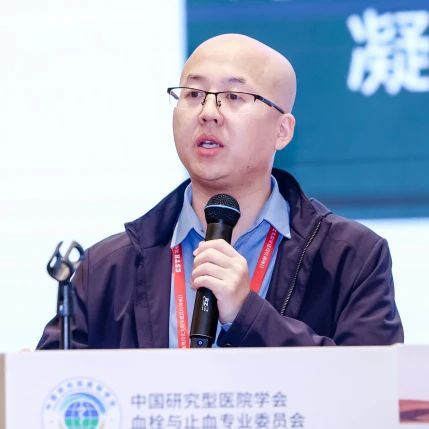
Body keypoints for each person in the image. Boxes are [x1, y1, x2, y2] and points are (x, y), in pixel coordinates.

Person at [37, 34, 403, 349]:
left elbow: (374, 387)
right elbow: (50, 391)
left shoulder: (352, 258)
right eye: (193, 93)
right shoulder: (106, 267)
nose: (208, 112)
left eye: (233, 96)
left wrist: (248, 313)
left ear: (282, 131)